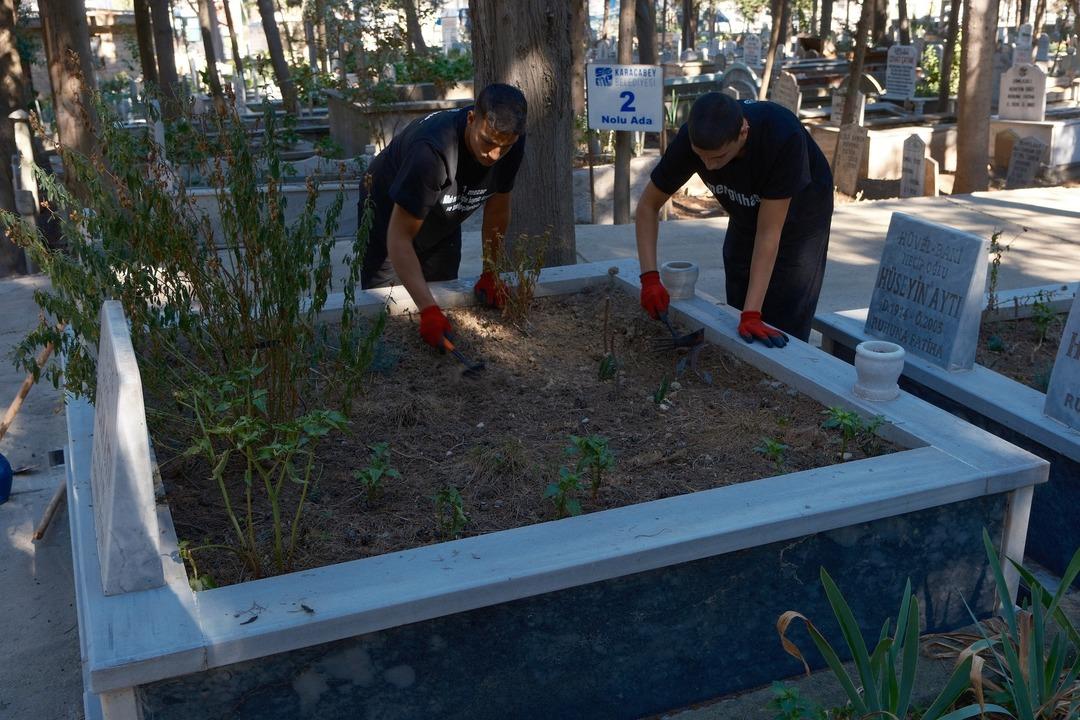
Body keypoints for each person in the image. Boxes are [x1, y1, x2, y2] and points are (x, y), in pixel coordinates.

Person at [635, 92, 833, 348]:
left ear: (743, 132)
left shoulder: (782, 137)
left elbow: (768, 233)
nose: (708, 165)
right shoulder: (692, 140)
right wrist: (649, 278)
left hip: (801, 218)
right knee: (737, 292)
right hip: (745, 211)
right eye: (700, 156)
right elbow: (648, 206)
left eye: (718, 157)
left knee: (785, 314)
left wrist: (752, 315)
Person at [358, 83, 527, 348]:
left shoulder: (510, 141)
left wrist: (491, 272)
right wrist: (428, 311)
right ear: (472, 119)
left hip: (444, 207)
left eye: (503, 148)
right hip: (387, 204)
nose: (494, 155)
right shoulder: (431, 151)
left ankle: (438, 339)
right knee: (385, 298)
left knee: (442, 284)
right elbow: (399, 238)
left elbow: (497, 210)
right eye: (488, 142)